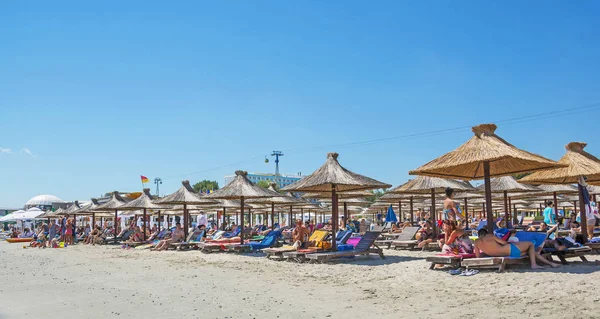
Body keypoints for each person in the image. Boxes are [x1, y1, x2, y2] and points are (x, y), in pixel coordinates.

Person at [474, 228, 560, 269]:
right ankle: (535, 264)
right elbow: (503, 243)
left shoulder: (476, 242)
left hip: (507, 254)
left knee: (531, 252)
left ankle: (550, 264)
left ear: (479, 235)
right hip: (510, 250)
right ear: (486, 233)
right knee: (530, 244)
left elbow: (477, 257)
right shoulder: (490, 236)